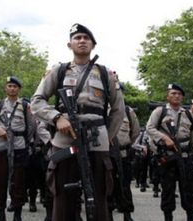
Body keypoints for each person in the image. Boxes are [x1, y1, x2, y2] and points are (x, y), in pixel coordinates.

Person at [31, 23, 125, 221]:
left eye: (86, 38)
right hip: (65, 140)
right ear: (69, 44)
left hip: (97, 141)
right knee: (63, 198)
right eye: (78, 38)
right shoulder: (59, 71)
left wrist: (106, 136)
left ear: (93, 45)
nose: (82, 41)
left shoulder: (106, 74)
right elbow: (36, 101)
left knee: (99, 198)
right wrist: (57, 118)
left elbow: (118, 110)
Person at [146, 83, 193, 221]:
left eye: (179, 94)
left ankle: (191, 216)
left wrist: (190, 148)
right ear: (167, 96)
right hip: (168, 157)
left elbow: (192, 133)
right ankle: (168, 217)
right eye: (173, 93)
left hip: (185, 156)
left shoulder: (188, 113)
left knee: (188, 189)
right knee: (168, 190)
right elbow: (150, 128)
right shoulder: (159, 111)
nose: (176, 96)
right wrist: (164, 138)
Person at [0, 76, 34, 221]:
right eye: (9, 86)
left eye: (15, 86)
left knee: (19, 181)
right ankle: (0, 213)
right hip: (2, 147)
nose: (12, 88)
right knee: (0, 180)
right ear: (5, 88)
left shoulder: (25, 106)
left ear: (19, 89)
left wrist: (25, 142)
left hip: (19, 148)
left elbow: (31, 127)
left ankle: (17, 213)